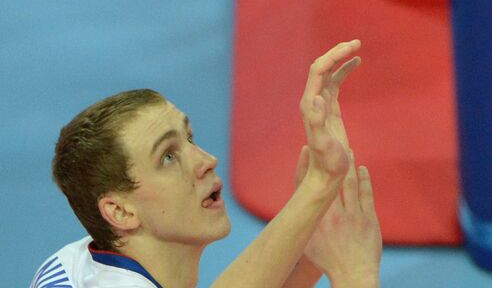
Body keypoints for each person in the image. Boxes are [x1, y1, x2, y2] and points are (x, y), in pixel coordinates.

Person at [32, 40, 381, 288]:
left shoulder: (76, 263)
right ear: (120, 211)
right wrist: (355, 274)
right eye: (168, 157)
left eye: (189, 138)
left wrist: (307, 261)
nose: (207, 161)